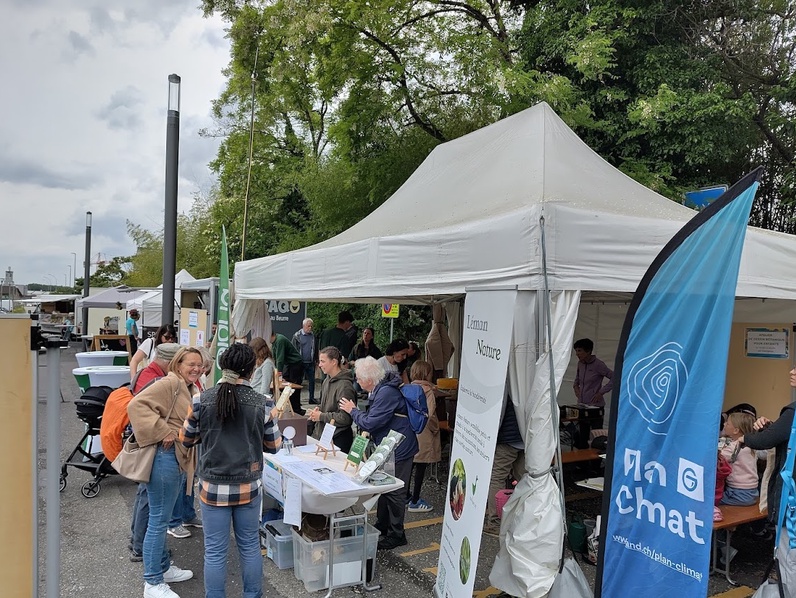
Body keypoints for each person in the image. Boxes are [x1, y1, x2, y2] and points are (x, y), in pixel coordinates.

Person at [180, 343, 281, 598]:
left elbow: (187, 439)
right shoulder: (263, 403)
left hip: (212, 487)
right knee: (249, 547)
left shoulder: (201, 399)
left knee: (214, 551)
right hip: (248, 486)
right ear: (252, 368)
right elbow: (274, 446)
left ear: (222, 366)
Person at [128, 347, 202, 598]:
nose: (196, 368)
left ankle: (162, 569)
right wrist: (164, 432)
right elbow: (136, 405)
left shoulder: (186, 386)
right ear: (178, 364)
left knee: (161, 517)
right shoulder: (171, 383)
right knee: (159, 521)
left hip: (175, 458)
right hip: (164, 458)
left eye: (199, 365)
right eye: (191, 364)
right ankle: (152, 582)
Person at [339, 356, 418, 550]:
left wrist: (353, 411)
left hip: (399, 447)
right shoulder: (381, 390)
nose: (357, 381)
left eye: (358, 378)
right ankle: (383, 526)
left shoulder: (385, 393)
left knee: (396, 491)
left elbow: (371, 422)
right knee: (384, 488)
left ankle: (397, 534)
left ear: (369, 379)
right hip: (390, 445)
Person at [740, 371, 796, 590]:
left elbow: (767, 440)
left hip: (791, 504)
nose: (791, 371)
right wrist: (772, 425)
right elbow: (785, 435)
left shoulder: (793, 412)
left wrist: (743, 437)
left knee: (789, 561)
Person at [128, 342, 183, 562]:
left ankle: (140, 544)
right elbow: (136, 407)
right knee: (151, 504)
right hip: (153, 447)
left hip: (152, 445)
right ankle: (142, 548)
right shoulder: (154, 378)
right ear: (170, 361)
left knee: (149, 501)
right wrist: (166, 431)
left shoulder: (151, 374)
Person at [484, 398, 525, 536]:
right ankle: (521, 517)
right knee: (524, 479)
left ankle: (494, 521)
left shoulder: (507, 381)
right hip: (527, 437)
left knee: (497, 478)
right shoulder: (531, 380)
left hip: (508, 436)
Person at [406, 360, 440, 513]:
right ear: (427, 373)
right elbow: (430, 415)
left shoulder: (407, 389)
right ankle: (415, 501)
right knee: (421, 467)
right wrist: (436, 428)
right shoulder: (428, 391)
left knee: (409, 466)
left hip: (409, 433)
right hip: (424, 433)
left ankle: (405, 496)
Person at [308, 346, 355, 452]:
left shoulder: (345, 386)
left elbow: (345, 418)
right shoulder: (326, 381)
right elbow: (326, 405)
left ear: (334, 362)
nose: (319, 365)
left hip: (338, 438)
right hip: (325, 436)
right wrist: (318, 409)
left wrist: (321, 416)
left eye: (323, 361)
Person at [719, 411, 759, 506]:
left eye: (727, 423)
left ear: (736, 430)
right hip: (753, 492)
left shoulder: (734, 447)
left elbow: (717, 458)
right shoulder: (752, 444)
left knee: (711, 500)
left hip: (738, 493)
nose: (724, 424)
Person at [270, 330, 306, 415]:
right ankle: (288, 405)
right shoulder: (274, 342)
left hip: (295, 364)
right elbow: (275, 358)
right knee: (285, 384)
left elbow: (280, 359)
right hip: (289, 364)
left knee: (294, 385)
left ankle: (296, 408)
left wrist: (278, 373)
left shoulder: (280, 340)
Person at [572, 338, 613, 408]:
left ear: (588, 351)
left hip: (595, 405)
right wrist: (576, 387)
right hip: (581, 404)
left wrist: (601, 392)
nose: (577, 354)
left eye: (579, 351)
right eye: (576, 351)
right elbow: (577, 379)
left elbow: (615, 377)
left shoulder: (598, 364)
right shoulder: (580, 364)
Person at [292, 318, 318, 404]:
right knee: (298, 382)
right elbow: (293, 349)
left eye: (311, 326)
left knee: (312, 381)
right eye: (308, 326)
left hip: (310, 362)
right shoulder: (297, 336)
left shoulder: (313, 336)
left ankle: (311, 398)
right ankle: (297, 400)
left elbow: (316, 349)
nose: (310, 328)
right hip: (300, 363)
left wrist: (316, 360)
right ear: (303, 326)